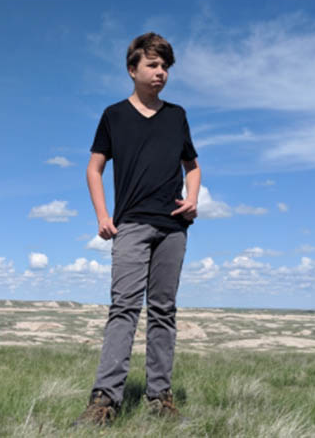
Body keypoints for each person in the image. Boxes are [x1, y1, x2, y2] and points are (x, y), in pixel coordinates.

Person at [75, 32, 201, 426]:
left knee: (163, 311)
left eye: (165, 66)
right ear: (133, 70)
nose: (160, 72)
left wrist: (193, 198)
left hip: (173, 228)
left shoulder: (177, 115)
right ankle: (104, 401)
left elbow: (192, 165)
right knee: (124, 309)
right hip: (130, 224)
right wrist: (102, 216)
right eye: (152, 64)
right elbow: (94, 168)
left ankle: (159, 397)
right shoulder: (114, 116)